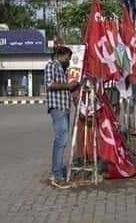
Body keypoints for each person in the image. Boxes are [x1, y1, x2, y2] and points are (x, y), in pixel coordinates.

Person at [45, 46, 80, 189]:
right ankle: (57, 175)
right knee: (62, 138)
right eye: (67, 58)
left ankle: (57, 172)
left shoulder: (63, 70)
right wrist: (68, 85)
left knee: (62, 139)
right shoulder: (52, 65)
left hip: (65, 107)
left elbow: (66, 88)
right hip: (57, 108)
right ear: (60, 55)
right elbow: (50, 84)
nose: (69, 61)